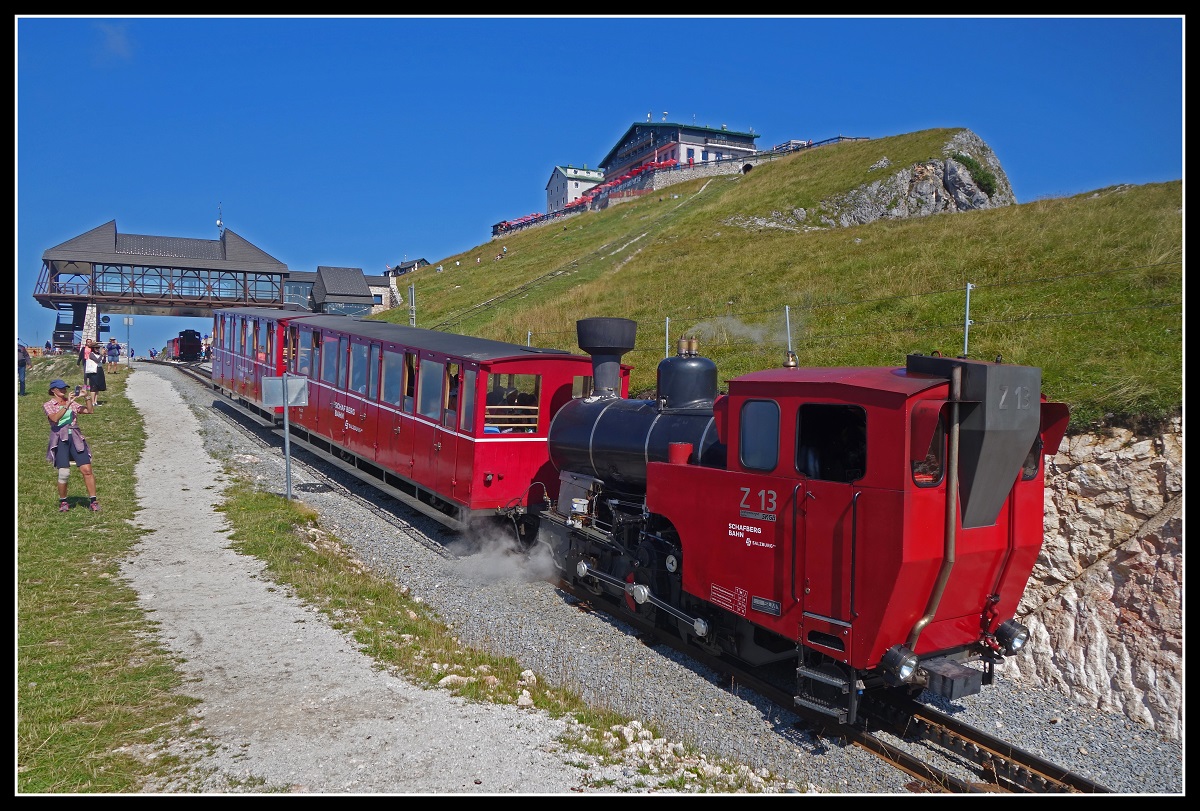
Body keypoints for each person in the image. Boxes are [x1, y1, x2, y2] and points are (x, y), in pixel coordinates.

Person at [43, 378, 100, 512]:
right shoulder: (49, 404)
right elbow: (55, 418)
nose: (64, 390)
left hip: (75, 437)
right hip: (60, 438)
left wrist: (86, 398)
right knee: (64, 473)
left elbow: (89, 411)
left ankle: (93, 501)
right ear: (53, 390)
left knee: (87, 469)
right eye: (61, 388)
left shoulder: (73, 403)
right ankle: (63, 502)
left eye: (65, 388)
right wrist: (67, 404)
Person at [83, 340, 106, 405]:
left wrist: (104, 356)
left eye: (98, 348)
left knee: (97, 387)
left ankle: (96, 401)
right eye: (96, 348)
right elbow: (97, 360)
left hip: (99, 370)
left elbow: (103, 362)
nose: (97, 349)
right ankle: (92, 401)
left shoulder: (98, 354)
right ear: (93, 348)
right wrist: (102, 355)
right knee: (93, 386)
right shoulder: (91, 354)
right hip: (93, 371)